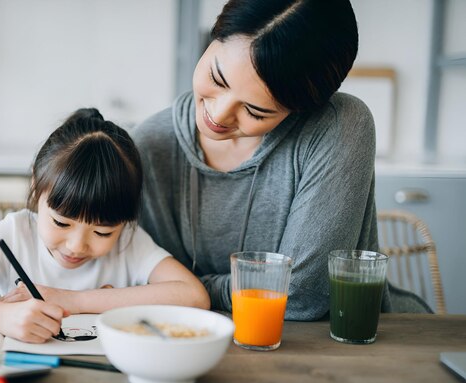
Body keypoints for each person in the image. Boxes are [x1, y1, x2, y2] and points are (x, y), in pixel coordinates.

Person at [132, 0, 431, 320]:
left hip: (342, 346)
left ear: (302, 109)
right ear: (213, 38)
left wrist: (188, 292)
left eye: (255, 111)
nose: (217, 115)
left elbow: (305, 295)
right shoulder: (148, 145)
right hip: (186, 343)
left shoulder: (338, 124)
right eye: (217, 79)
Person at [0, 108, 210, 343]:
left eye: (102, 232)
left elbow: (194, 296)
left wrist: (73, 300)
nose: (77, 245)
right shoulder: (14, 234)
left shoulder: (129, 241)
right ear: (37, 185)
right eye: (61, 222)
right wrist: (0, 317)